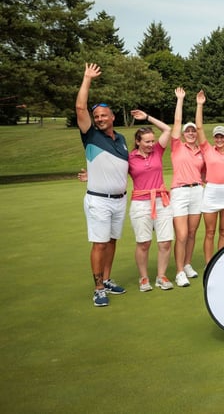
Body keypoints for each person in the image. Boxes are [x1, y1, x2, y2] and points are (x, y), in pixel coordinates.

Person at [75, 63, 128, 307]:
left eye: (103, 115)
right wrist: (87, 78)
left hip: (119, 199)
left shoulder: (123, 140)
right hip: (98, 199)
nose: (99, 119)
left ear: (112, 117)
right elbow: (79, 107)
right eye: (96, 117)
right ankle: (98, 288)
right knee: (100, 242)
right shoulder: (91, 135)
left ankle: (106, 280)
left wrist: (92, 172)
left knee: (112, 241)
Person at [128, 110, 175, 291]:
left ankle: (161, 276)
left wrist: (147, 117)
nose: (150, 144)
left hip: (162, 201)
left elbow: (167, 129)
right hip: (140, 203)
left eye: (152, 141)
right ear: (138, 142)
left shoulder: (157, 151)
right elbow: (115, 173)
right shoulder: (130, 157)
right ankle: (144, 278)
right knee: (144, 242)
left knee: (165, 242)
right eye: (146, 141)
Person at [169, 87, 204, 284]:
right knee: (181, 234)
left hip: (197, 191)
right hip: (180, 192)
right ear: (183, 134)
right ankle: (179, 271)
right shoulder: (177, 146)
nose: (191, 133)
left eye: (193, 131)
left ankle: (188, 264)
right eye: (187, 131)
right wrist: (180, 100)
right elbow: (176, 122)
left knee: (192, 232)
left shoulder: (201, 151)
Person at [196, 94, 224, 265]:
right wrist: (200, 105)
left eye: (222, 136)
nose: (219, 139)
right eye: (217, 137)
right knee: (210, 232)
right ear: (214, 138)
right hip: (211, 192)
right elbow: (199, 128)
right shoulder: (207, 149)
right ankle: (209, 264)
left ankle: (220, 261)